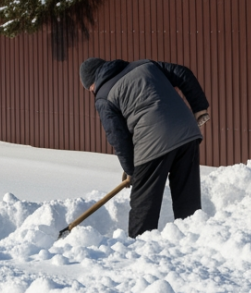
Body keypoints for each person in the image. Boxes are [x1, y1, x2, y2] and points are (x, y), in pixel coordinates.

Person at [79, 57, 211, 238]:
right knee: (188, 202)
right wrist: (199, 107)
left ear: (92, 82)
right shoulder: (145, 65)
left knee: (143, 208)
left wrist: (132, 170)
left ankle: (138, 249)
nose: (91, 92)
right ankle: (193, 240)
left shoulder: (103, 96)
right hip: (187, 133)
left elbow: (118, 138)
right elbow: (183, 73)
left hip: (153, 142)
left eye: (89, 89)